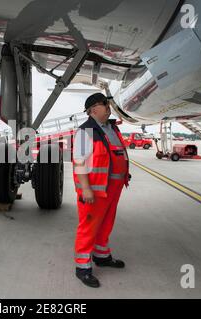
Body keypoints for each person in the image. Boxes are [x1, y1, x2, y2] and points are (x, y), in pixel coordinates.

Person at [73, 93, 131, 288]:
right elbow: (79, 162)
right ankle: (82, 268)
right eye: (105, 104)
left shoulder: (111, 128)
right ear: (93, 109)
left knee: (106, 224)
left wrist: (124, 173)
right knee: (88, 228)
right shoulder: (85, 131)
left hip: (113, 188)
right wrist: (86, 189)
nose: (108, 107)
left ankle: (102, 256)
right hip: (95, 191)